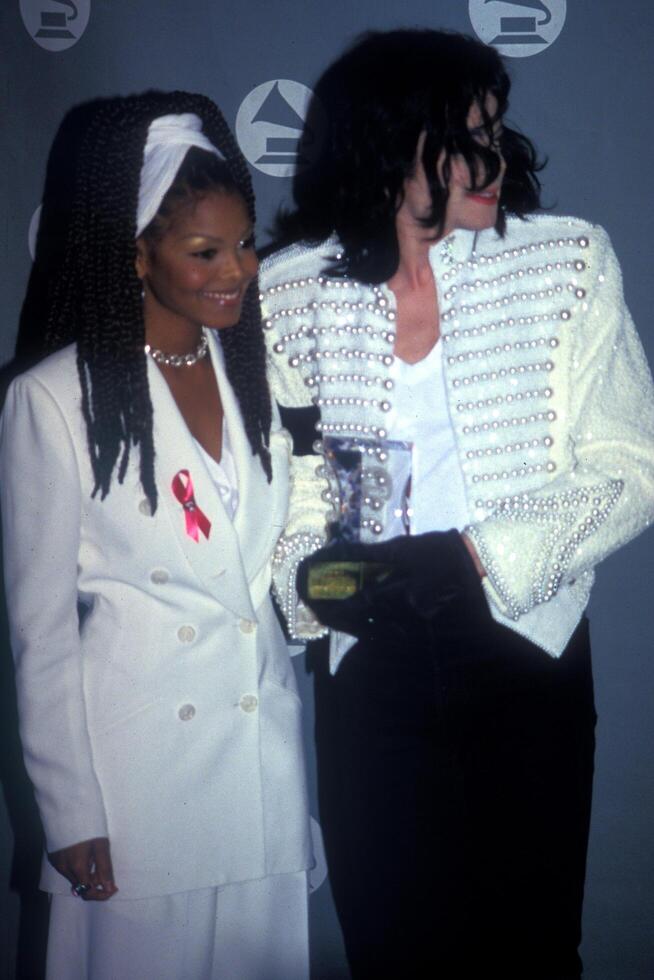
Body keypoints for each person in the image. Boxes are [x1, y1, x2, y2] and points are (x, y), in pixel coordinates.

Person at [260, 29, 654, 979]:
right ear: (387, 149)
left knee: (528, 946)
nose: (498, 157)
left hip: (527, 641)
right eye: (467, 136)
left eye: (497, 128)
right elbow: (296, 481)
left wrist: (479, 558)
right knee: (393, 944)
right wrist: (318, 581)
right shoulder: (292, 291)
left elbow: (634, 467)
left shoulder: (566, 261)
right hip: (372, 659)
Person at [0, 90, 312, 980]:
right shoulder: (52, 401)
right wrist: (69, 810)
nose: (238, 270)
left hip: (259, 767)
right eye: (204, 250)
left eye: (245, 243)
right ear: (134, 254)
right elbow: (42, 631)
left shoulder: (254, 377)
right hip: (137, 789)